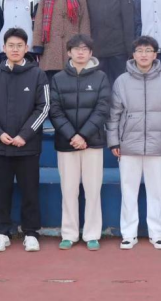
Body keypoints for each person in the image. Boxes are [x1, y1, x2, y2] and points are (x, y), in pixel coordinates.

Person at [0, 28, 50, 253]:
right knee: (1, 192)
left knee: (30, 192)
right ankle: (2, 233)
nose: (15, 49)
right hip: (0, 146)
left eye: (19, 45)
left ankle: (31, 233)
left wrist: (24, 135)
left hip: (28, 147)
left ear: (26, 48)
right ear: (3, 48)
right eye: (11, 45)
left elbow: (43, 107)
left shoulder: (38, 75)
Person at [108, 36, 161, 249]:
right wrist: (114, 142)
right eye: (140, 51)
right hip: (128, 145)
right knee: (128, 191)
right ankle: (129, 234)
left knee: (156, 191)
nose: (144, 55)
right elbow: (114, 115)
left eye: (148, 51)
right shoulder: (122, 81)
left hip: (157, 145)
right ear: (133, 55)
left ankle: (157, 233)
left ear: (155, 54)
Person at [49, 34, 111, 252]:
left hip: (92, 142)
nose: (80, 52)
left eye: (85, 49)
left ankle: (92, 234)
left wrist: (83, 135)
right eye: (76, 49)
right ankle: (69, 233)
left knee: (93, 190)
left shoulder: (101, 77)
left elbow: (103, 108)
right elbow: (55, 110)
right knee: (69, 190)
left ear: (91, 53)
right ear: (69, 52)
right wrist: (72, 136)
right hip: (66, 143)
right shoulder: (58, 79)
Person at [32, 0, 91, 76]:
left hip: (72, 44)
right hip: (50, 47)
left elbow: (84, 21)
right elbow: (39, 21)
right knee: (51, 79)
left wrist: (85, 44)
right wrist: (37, 44)